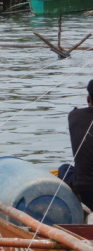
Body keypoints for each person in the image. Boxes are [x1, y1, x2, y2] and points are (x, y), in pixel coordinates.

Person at [58, 79, 93, 211]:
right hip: (88, 190)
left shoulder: (74, 116)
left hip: (85, 191)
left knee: (65, 168)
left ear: (88, 98)